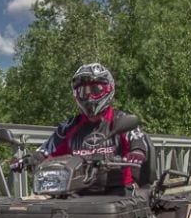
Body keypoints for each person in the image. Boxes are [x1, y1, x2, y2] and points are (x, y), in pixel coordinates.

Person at [13, 62, 150, 195]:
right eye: (83, 91)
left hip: (118, 191)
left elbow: (137, 138)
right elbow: (47, 149)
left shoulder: (120, 119)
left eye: (96, 90)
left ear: (109, 89)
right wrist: (29, 159)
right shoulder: (69, 126)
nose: (89, 97)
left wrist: (137, 152)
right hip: (77, 192)